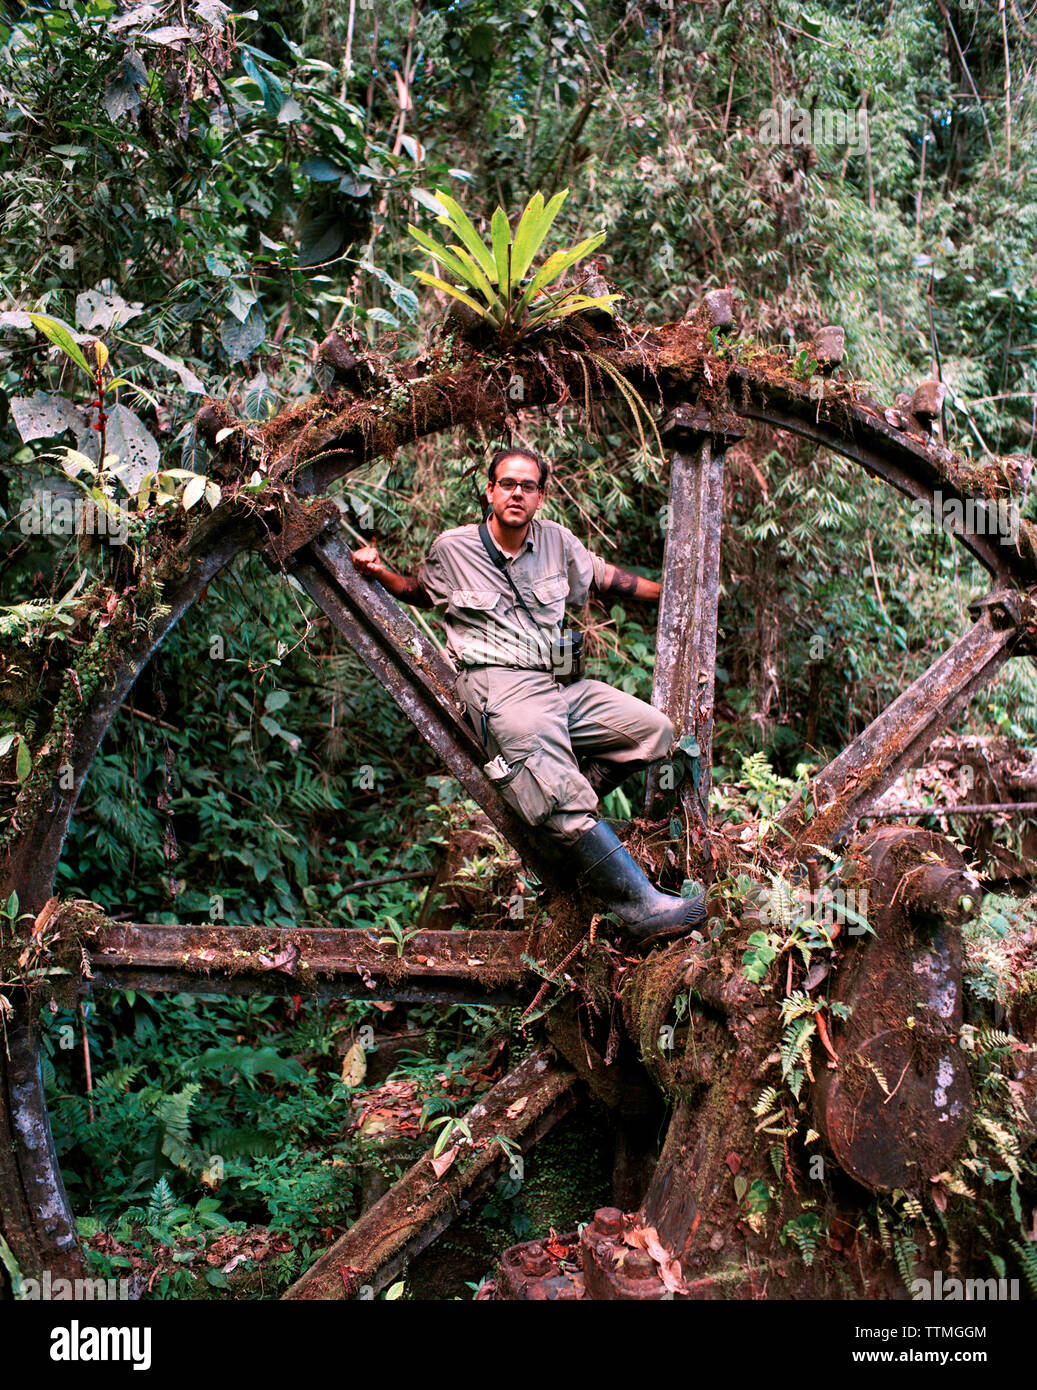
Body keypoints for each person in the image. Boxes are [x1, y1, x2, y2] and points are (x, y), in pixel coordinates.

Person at [350, 446, 706, 943]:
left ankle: (559, 802)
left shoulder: (557, 542)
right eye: (508, 483)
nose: (517, 493)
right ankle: (641, 909)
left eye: (529, 486)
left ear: (541, 495)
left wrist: (678, 590)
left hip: (557, 682)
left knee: (655, 732)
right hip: (498, 687)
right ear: (490, 491)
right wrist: (377, 571)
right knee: (561, 794)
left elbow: (607, 579)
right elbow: (417, 590)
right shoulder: (452, 548)